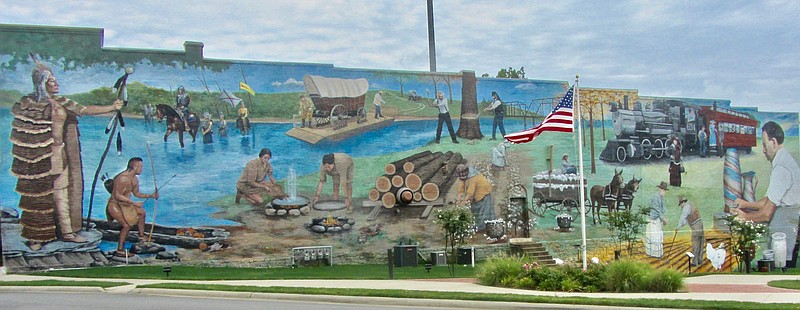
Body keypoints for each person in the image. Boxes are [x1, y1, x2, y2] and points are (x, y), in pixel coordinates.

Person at [10, 58, 123, 250]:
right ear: (42, 83)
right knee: (38, 198)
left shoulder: (62, 101)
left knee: (62, 195)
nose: (57, 84)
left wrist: (112, 107)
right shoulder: (27, 104)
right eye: (52, 81)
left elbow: (84, 110)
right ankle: (37, 237)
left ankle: (68, 233)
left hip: (58, 155)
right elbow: (22, 132)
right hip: (37, 159)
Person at [734, 121, 800, 264]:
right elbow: (769, 199)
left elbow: (766, 213)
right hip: (784, 220)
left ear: (774, 142)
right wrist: (746, 203)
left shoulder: (781, 168)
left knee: (780, 264)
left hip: (784, 226)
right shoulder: (783, 159)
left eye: (764, 145)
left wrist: (744, 217)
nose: (763, 150)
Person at [105, 157, 159, 257]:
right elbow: (118, 196)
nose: (141, 169)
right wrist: (134, 204)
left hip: (125, 205)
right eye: (140, 167)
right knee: (126, 226)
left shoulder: (134, 179)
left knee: (141, 213)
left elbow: (136, 193)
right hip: (115, 205)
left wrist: (151, 196)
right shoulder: (123, 178)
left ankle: (141, 236)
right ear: (134, 167)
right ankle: (120, 250)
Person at [455, 164, 497, 232]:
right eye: (461, 175)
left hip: (483, 192)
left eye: (464, 175)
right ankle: (478, 226)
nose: (462, 176)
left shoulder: (473, 177)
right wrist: (458, 200)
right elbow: (460, 190)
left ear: (467, 172)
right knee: (475, 210)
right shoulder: (461, 177)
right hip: (476, 194)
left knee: (484, 211)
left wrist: (463, 202)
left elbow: (470, 193)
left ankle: (484, 227)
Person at [676, 195, 704, 266]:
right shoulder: (691, 205)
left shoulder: (686, 207)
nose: (681, 206)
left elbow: (683, 217)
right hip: (700, 224)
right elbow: (686, 221)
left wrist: (678, 227)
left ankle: (694, 262)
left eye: (680, 205)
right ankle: (700, 260)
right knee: (700, 243)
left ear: (682, 203)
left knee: (695, 244)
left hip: (695, 226)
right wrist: (680, 226)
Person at [645, 181, 669, 258]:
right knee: (654, 236)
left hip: (658, 219)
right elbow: (657, 210)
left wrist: (663, 219)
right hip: (653, 219)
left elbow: (663, 209)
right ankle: (653, 253)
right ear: (659, 189)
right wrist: (663, 219)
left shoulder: (662, 198)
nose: (664, 192)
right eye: (663, 190)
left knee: (658, 236)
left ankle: (657, 253)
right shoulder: (655, 197)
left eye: (665, 190)